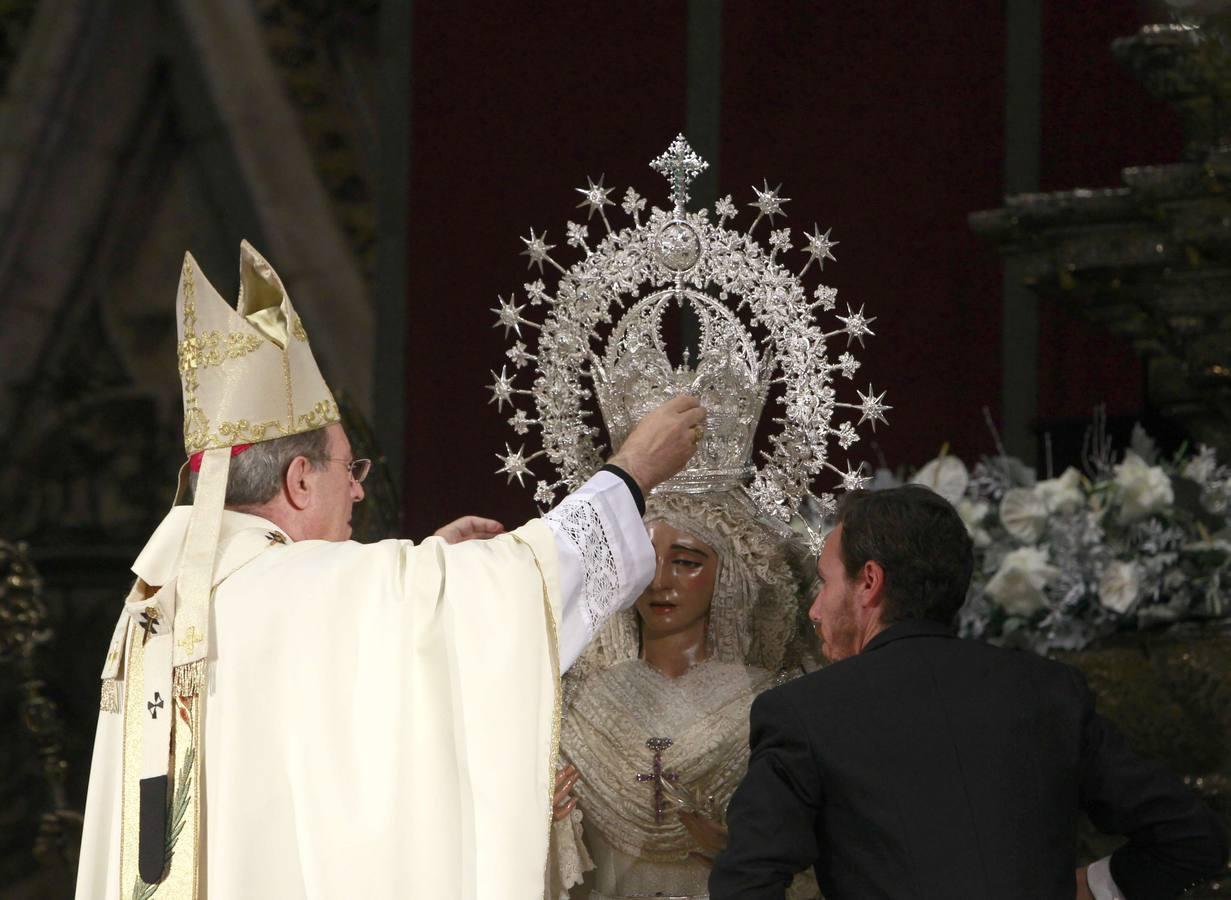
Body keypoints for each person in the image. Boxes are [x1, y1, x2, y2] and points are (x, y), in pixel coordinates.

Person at [74, 241, 705, 900]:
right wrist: (630, 473)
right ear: (297, 481)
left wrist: (426, 569)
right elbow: (519, 581)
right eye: (350, 470)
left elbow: (333, 722)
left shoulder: (163, 599)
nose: (357, 493)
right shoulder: (291, 588)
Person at [711, 485, 1229, 899]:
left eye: (824, 584)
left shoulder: (802, 712)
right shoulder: (1050, 691)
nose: (815, 610)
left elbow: (745, 884)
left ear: (869, 582)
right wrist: (1091, 887)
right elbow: (1193, 838)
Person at [546, 489, 820, 900]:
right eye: (645, 562)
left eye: (686, 562)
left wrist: (745, 851)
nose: (658, 581)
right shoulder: (579, 704)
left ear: (727, 573)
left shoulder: (772, 700)